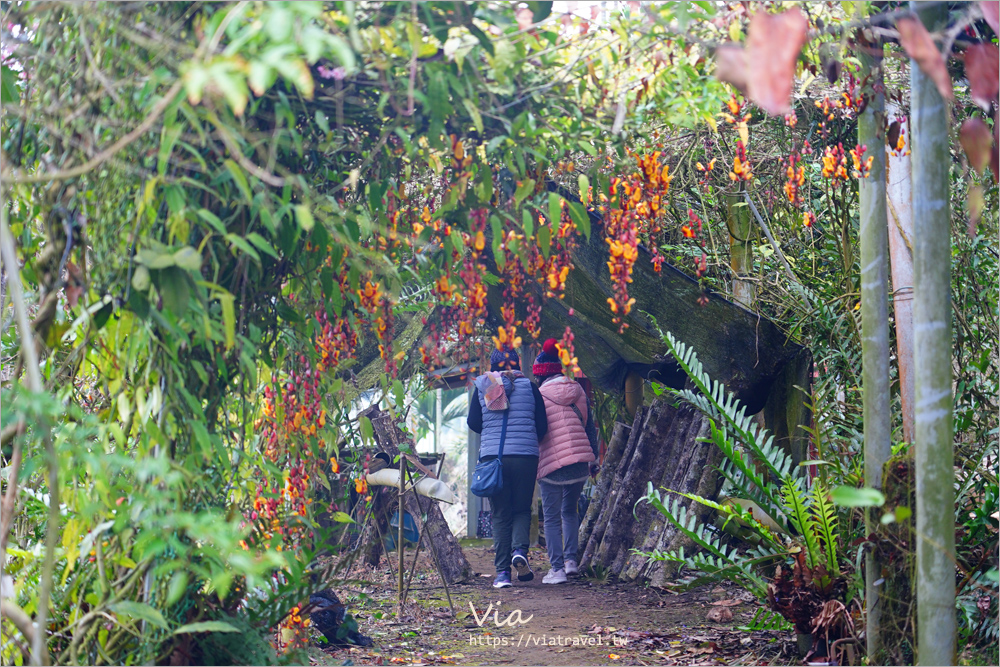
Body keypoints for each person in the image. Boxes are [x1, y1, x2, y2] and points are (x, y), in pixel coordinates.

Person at [467, 347, 548, 588]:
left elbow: (473, 422)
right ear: (518, 364)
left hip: (494, 458)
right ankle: (519, 552)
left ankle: (503, 574)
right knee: (522, 509)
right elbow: (542, 425)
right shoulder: (531, 387)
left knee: (500, 513)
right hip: (525, 457)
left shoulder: (484, 385)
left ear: (493, 367)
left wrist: (493, 433)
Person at [532, 339, 598, 584]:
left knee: (551, 517)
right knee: (570, 511)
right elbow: (589, 427)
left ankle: (557, 570)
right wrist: (594, 459)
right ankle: (571, 562)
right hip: (580, 461)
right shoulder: (578, 390)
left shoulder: (539, 396)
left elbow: (538, 430)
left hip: (552, 464)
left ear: (540, 375)